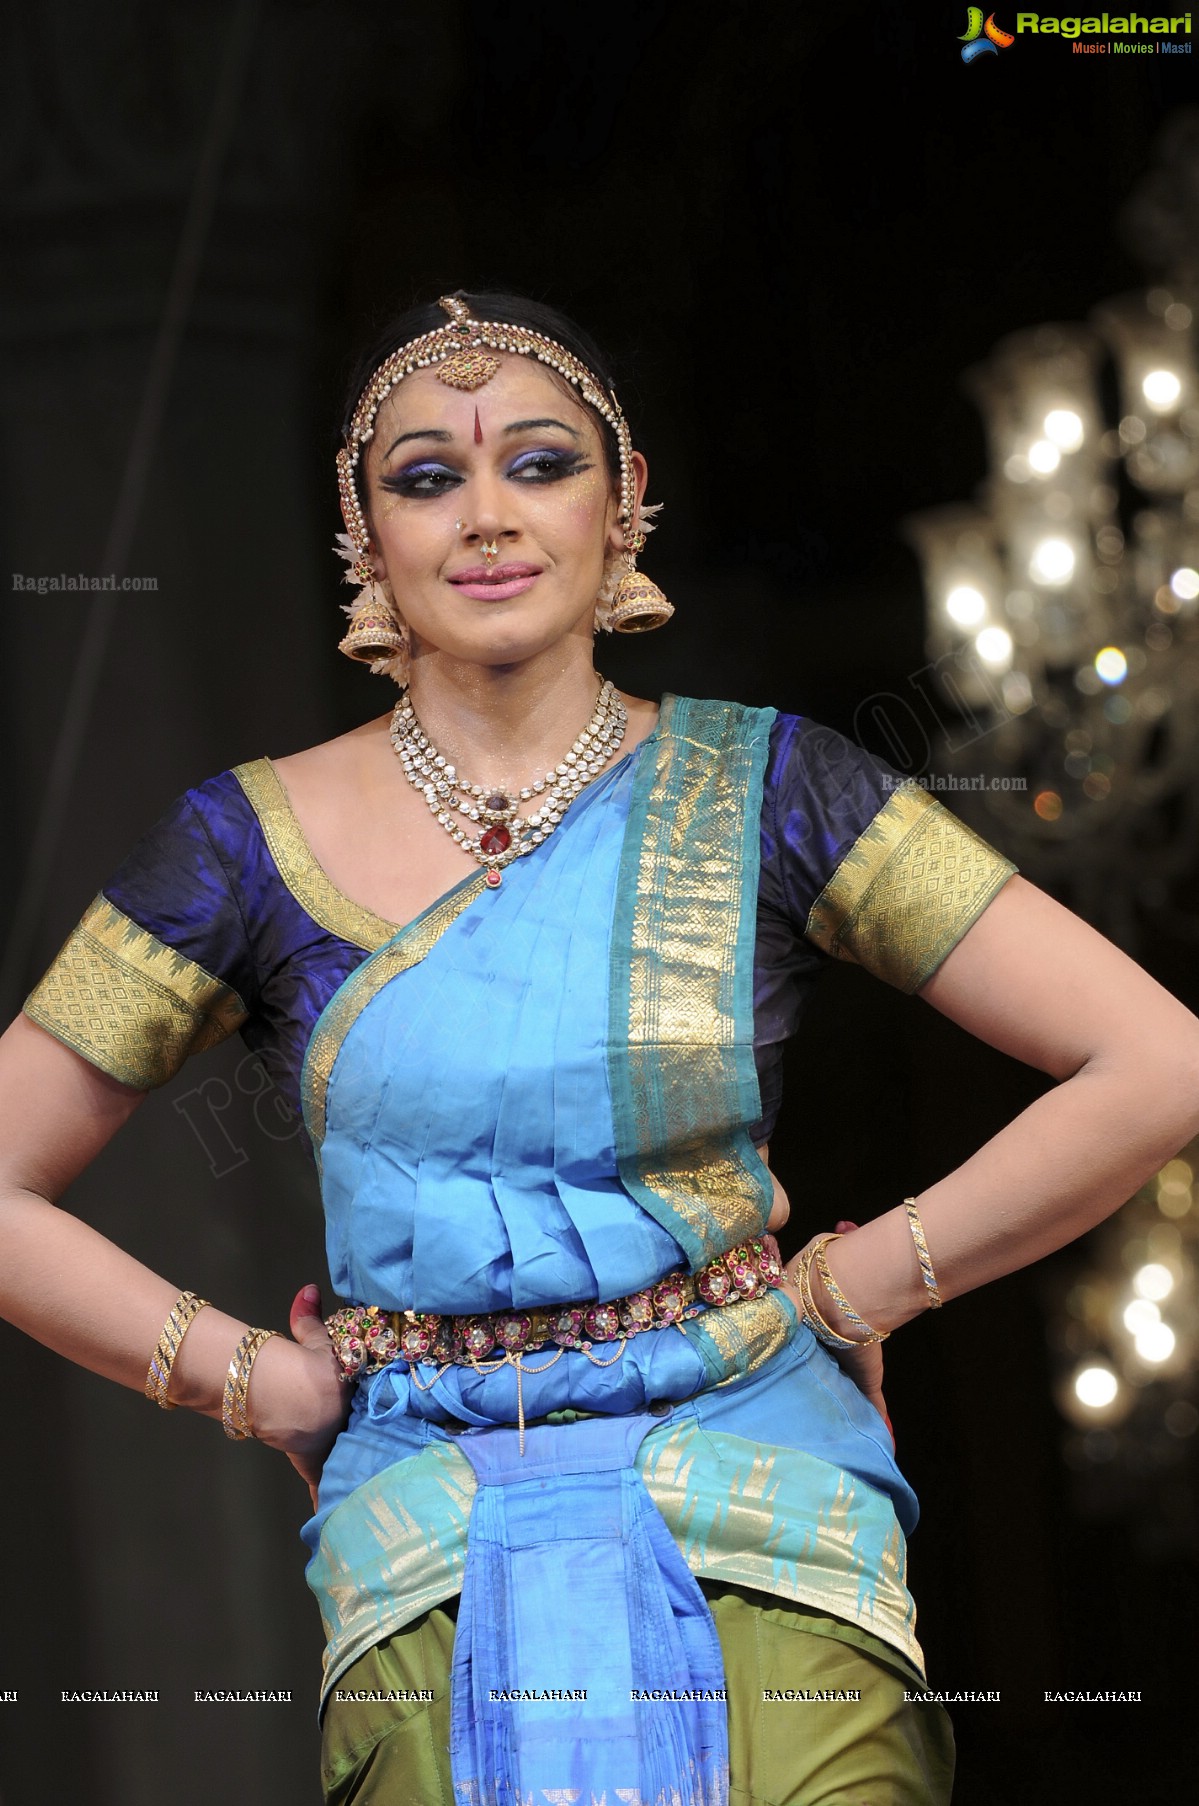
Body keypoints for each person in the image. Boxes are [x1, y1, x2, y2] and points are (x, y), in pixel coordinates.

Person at [2, 290, 1198, 1806]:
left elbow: (1158, 1059)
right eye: (427, 475)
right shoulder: (244, 844)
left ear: (626, 501)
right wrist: (250, 1378)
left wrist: (861, 1278)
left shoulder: (773, 787)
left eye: (543, 462)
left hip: (771, 1516)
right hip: (426, 1544)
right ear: (364, 538)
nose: (488, 515)